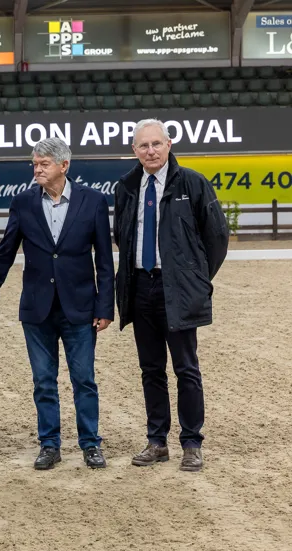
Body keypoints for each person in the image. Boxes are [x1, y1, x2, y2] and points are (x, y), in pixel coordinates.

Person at [0, 138, 115, 470]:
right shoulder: (23, 203)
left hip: (81, 308)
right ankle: (49, 444)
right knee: (43, 381)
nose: (36, 169)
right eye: (34, 164)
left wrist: (105, 307)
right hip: (37, 308)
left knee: (84, 379)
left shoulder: (93, 201)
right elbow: (6, 252)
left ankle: (90, 443)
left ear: (64, 165)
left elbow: (105, 262)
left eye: (43, 164)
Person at [114, 119, 228, 473]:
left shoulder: (192, 183)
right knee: (151, 370)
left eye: (156, 144)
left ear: (169, 144)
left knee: (186, 369)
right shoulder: (127, 187)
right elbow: (122, 234)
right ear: (134, 150)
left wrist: (194, 279)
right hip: (141, 288)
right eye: (143, 146)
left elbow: (217, 237)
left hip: (175, 290)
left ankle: (192, 442)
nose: (150, 151)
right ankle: (157, 440)